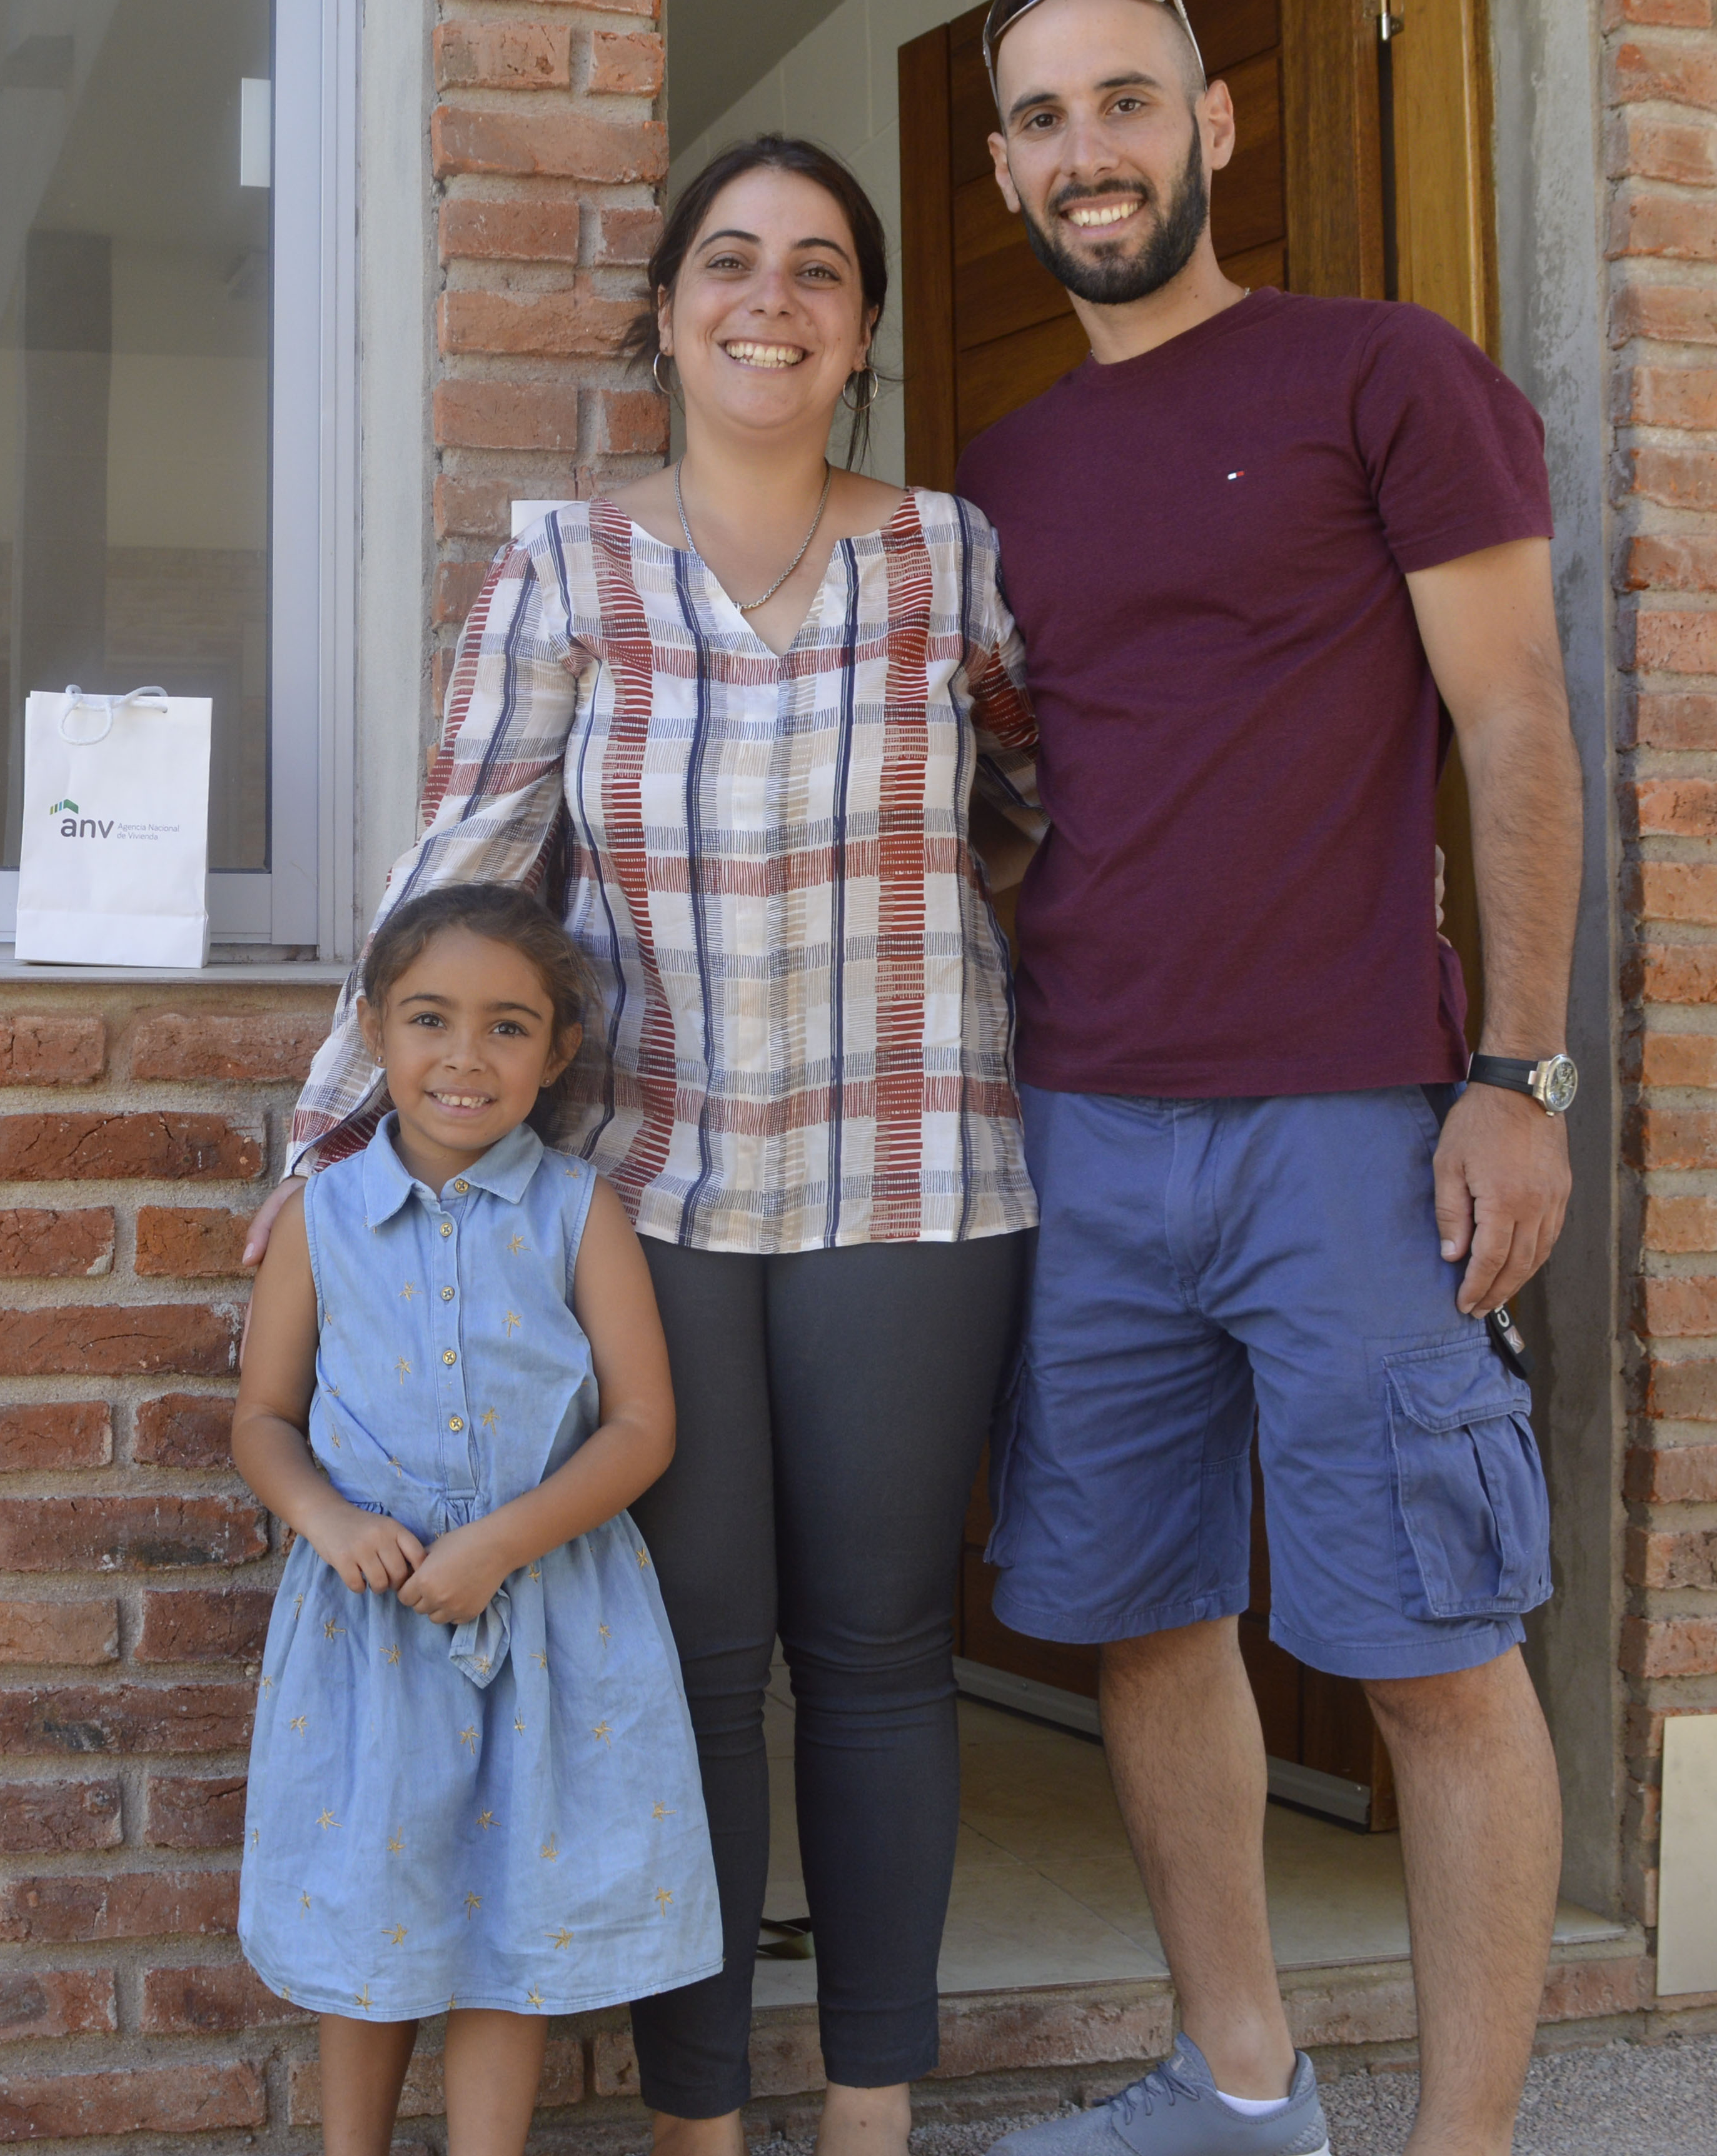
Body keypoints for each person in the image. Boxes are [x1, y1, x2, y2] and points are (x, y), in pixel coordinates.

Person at [248, 136, 1043, 2156]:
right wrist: (330, 1144)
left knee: (875, 1651)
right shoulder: (565, 567)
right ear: (667, 310)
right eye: (727, 263)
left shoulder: (952, 553)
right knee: (686, 1670)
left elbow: (1040, 807)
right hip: (655, 1183)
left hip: (915, 1170)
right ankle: (701, 2122)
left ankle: (863, 2115)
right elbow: (468, 856)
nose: (767, 299)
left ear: (860, 327)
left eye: (816, 271)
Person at [956, 0, 1585, 2156]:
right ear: (1007, 163)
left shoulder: (1379, 376)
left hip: (1349, 1122)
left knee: (1427, 1646)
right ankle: (1240, 2090)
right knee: (1139, 1617)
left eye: (1124, 103)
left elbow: (1511, 716)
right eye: (1042, 120)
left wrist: (1519, 1071)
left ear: (1211, 121)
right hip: (1083, 1124)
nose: (1087, 152)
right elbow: (1018, 792)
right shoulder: (1002, 465)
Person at [233, 884, 717, 2156]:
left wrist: (505, 1538)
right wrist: (327, 1521)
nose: (463, 1056)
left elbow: (640, 1425)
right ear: (376, 1032)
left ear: (558, 1053)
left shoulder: (577, 1211)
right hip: (369, 1622)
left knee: (512, 1914)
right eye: (428, 1018)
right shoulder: (319, 1218)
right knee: (368, 1906)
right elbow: (262, 1417)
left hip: (548, 1613)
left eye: (507, 1027)